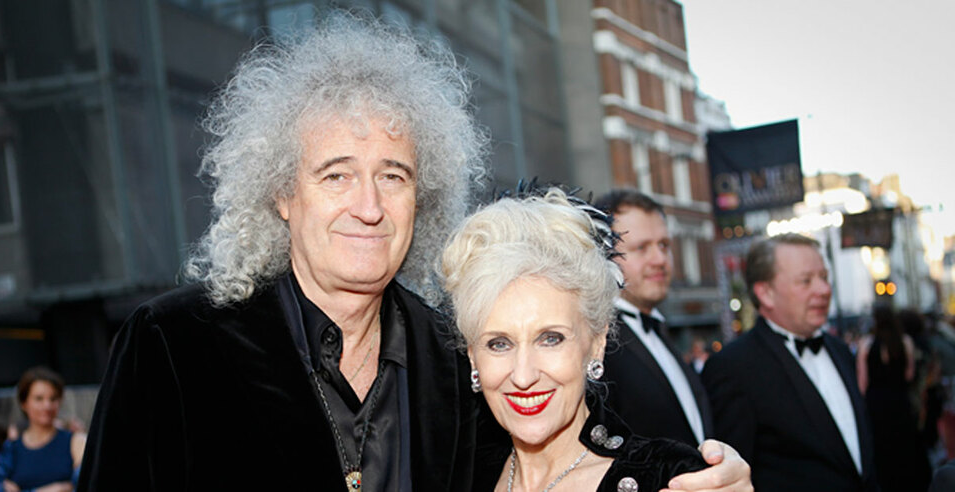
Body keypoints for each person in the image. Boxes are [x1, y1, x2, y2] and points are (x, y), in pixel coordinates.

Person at [78, 12, 750, 492]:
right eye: (336, 174)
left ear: (420, 195)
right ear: (282, 193)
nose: (368, 206)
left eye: (393, 176)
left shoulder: (457, 357)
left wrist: (693, 472)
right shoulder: (173, 344)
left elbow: (577, 431)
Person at [440, 187, 715, 491]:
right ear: (471, 356)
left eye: (550, 338)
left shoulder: (669, 477)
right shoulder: (455, 477)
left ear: (596, 344)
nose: (523, 375)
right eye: (499, 344)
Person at [702, 233, 876, 491]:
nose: (824, 290)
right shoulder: (733, 367)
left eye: (824, 278)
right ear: (766, 293)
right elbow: (733, 472)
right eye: (806, 281)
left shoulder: (840, 351)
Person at [592, 189, 712, 447]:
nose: (659, 259)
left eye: (664, 245)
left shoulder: (659, 332)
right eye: (641, 248)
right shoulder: (598, 346)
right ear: (604, 257)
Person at [857, 304, 931, 491]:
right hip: (900, 402)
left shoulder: (866, 344)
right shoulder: (905, 342)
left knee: (882, 451)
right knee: (905, 450)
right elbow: (909, 375)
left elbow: (862, 384)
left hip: (876, 405)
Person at [0, 367, 85, 492]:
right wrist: (58, 488)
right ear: (24, 403)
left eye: (53, 399)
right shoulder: (11, 449)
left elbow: (85, 484)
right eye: (39, 399)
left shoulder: (76, 442)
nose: (47, 406)